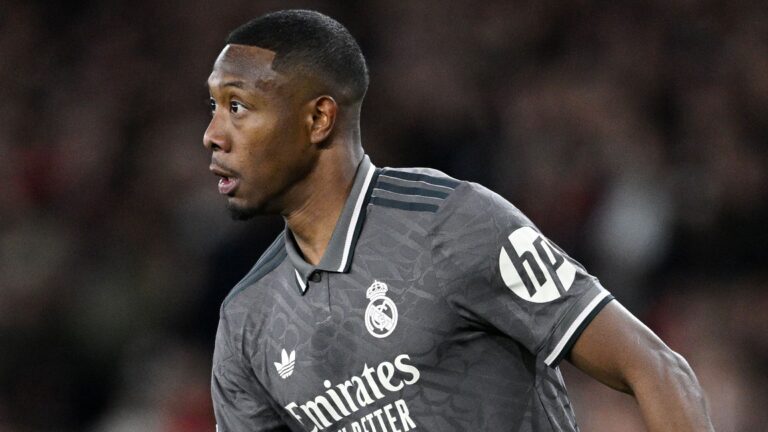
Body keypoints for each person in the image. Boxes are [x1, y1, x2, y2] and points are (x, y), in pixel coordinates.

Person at [204, 9, 714, 432]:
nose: (213, 135)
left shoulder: (450, 223)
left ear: (318, 119)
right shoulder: (246, 320)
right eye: (214, 106)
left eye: (237, 106)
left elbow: (655, 369)